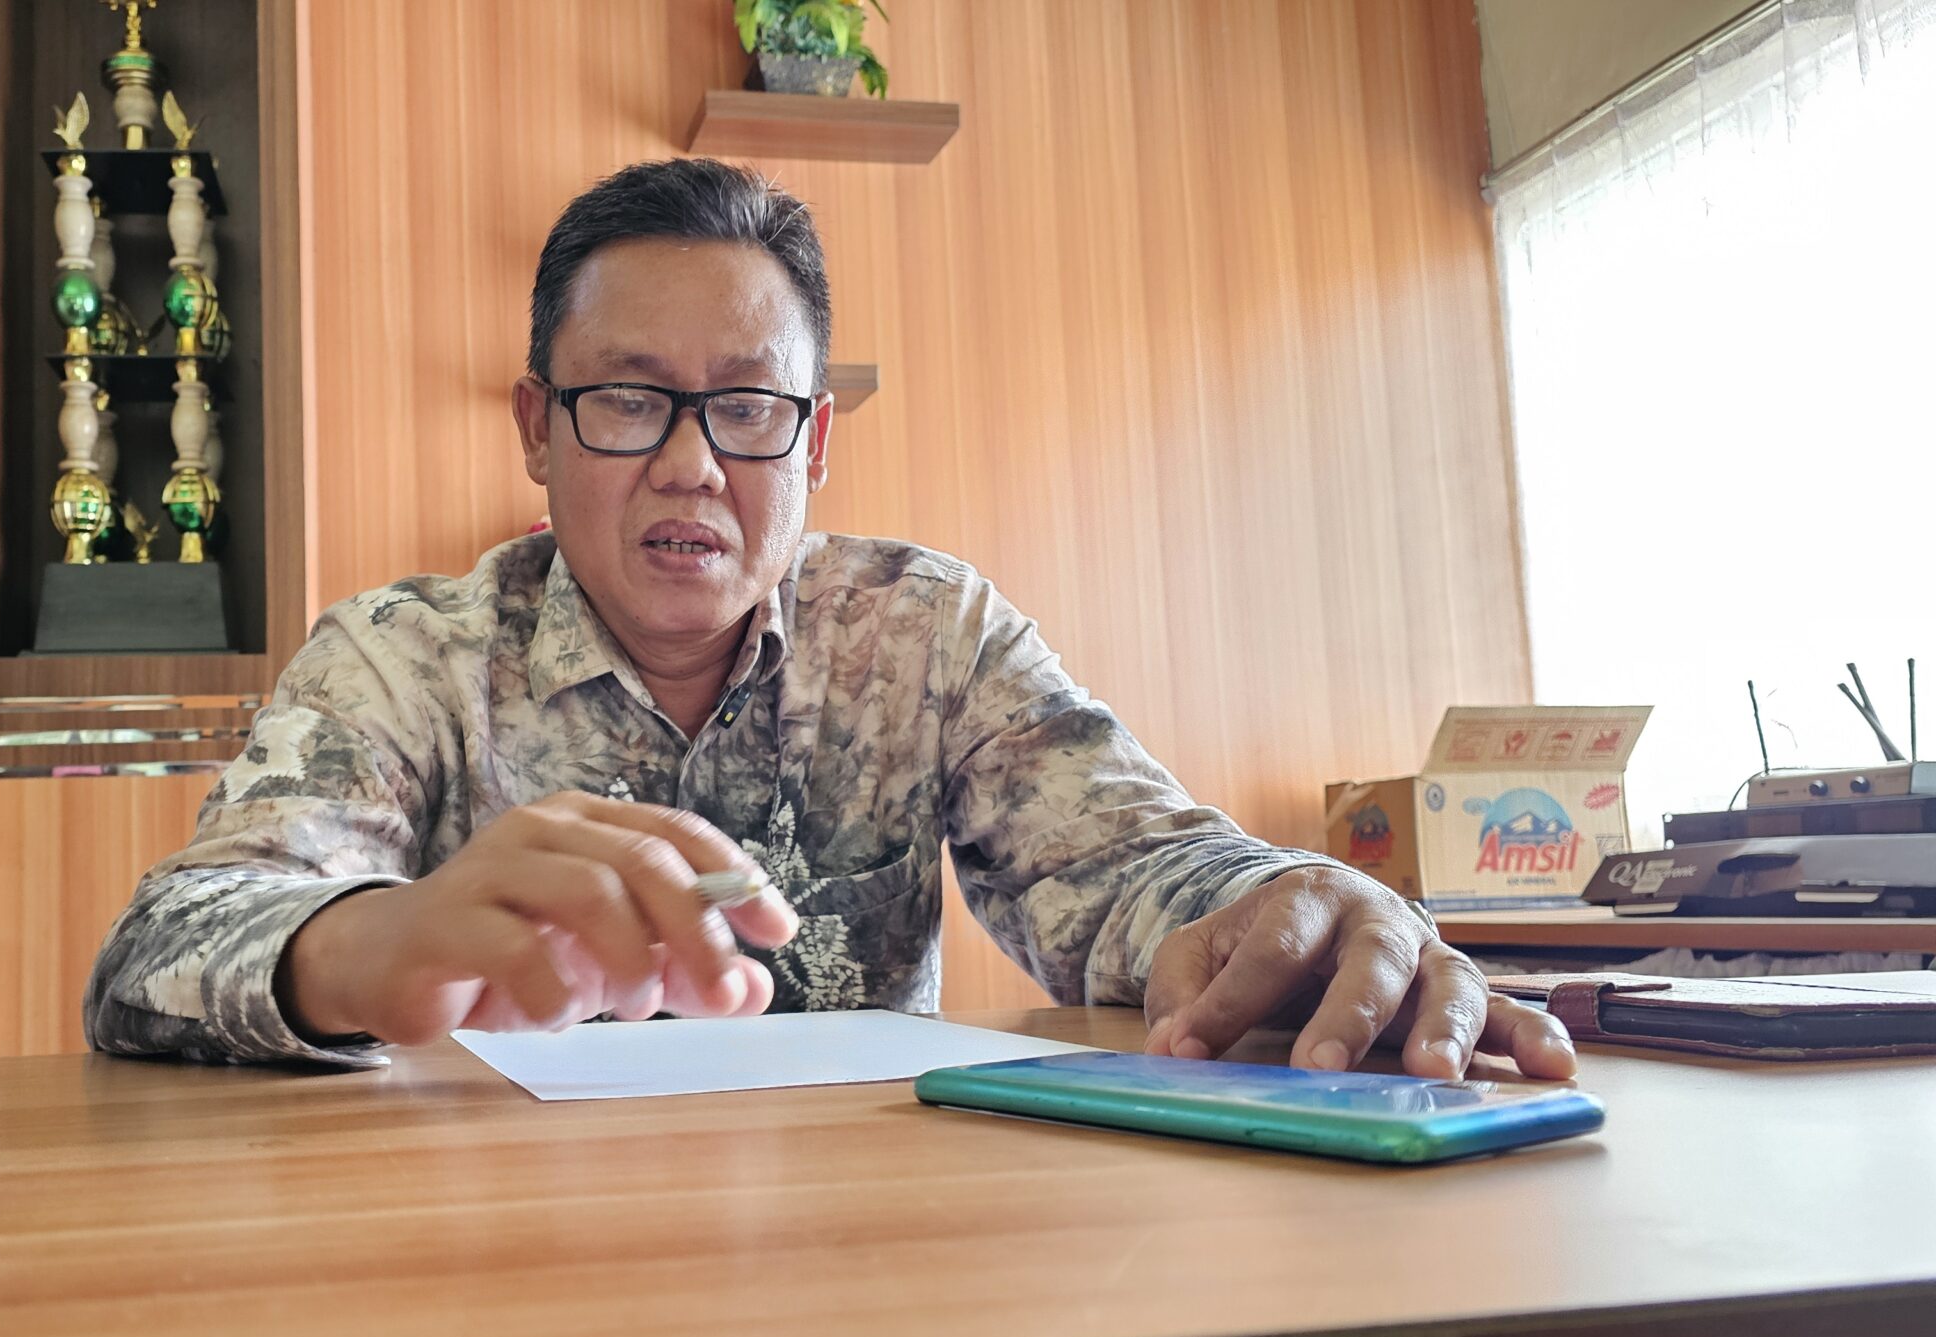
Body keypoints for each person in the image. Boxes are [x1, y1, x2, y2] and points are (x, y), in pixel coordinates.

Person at [83, 159, 1577, 1081]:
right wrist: (375, 941)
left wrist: (1284, 909)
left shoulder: (925, 632)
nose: (691, 465)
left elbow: (1134, 868)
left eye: (747, 407)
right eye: (628, 400)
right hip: (483, 1243)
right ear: (537, 429)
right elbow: (160, 949)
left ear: (813, 445)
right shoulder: (403, 655)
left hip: (857, 1242)